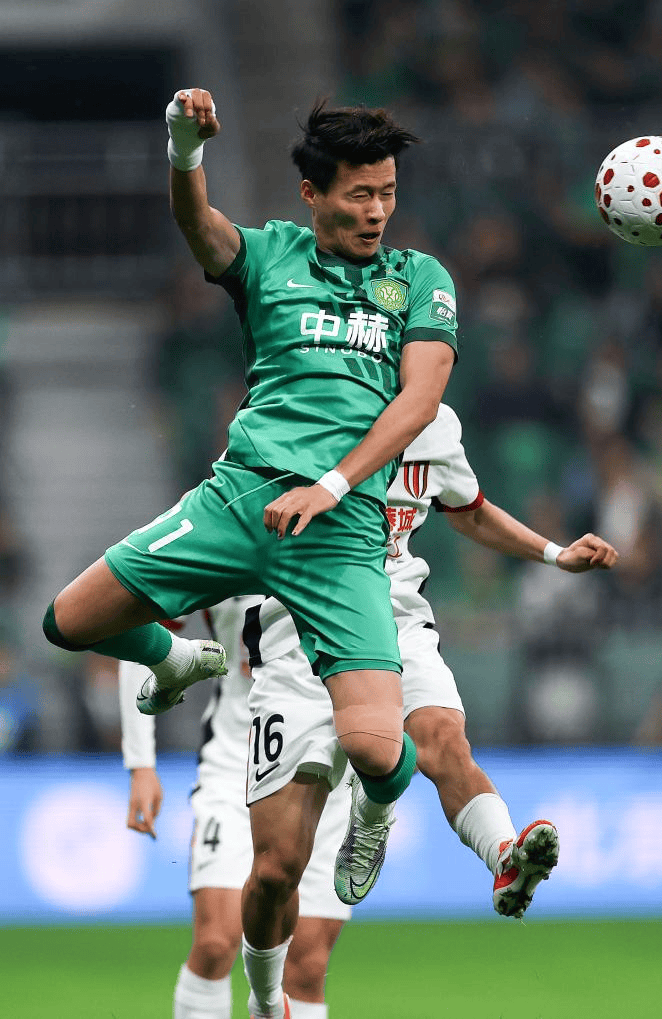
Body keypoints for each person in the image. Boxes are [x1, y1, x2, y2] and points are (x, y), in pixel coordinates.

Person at [44, 86, 457, 1019]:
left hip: (339, 529)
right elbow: (199, 226)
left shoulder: (421, 278)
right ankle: (176, 656)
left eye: (388, 192)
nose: (378, 210)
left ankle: (374, 816)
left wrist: (334, 485)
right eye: (359, 194)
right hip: (240, 498)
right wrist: (182, 148)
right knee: (70, 619)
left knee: (377, 748)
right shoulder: (269, 256)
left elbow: (419, 400)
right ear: (313, 194)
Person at [122, 404, 618, 1019]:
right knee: (234, 921)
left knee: (438, 745)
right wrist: (141, 761)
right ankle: (266, 1002)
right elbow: (143, 613)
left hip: (393, 629)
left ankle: (501, 857)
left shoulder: (435, 425)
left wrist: (553, 553)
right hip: (275, 697)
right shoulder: (281, 451)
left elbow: (470, 509)